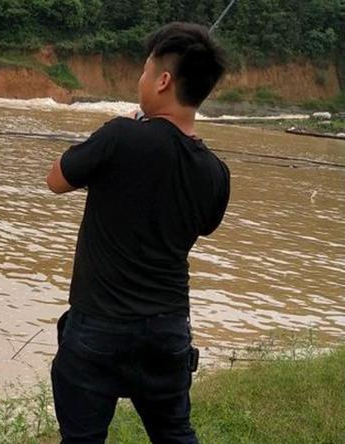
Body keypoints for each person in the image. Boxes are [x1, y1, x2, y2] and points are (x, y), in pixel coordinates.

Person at [46, 22, 230, 444]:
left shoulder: (121, 135)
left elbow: (56, 179)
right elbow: (205, 226)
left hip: (97, 328)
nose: (140, 80)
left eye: (145, 73)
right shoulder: (216, 172)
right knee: (175, 433)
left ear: (163, 80)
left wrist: (130, 135)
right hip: (167, 331)